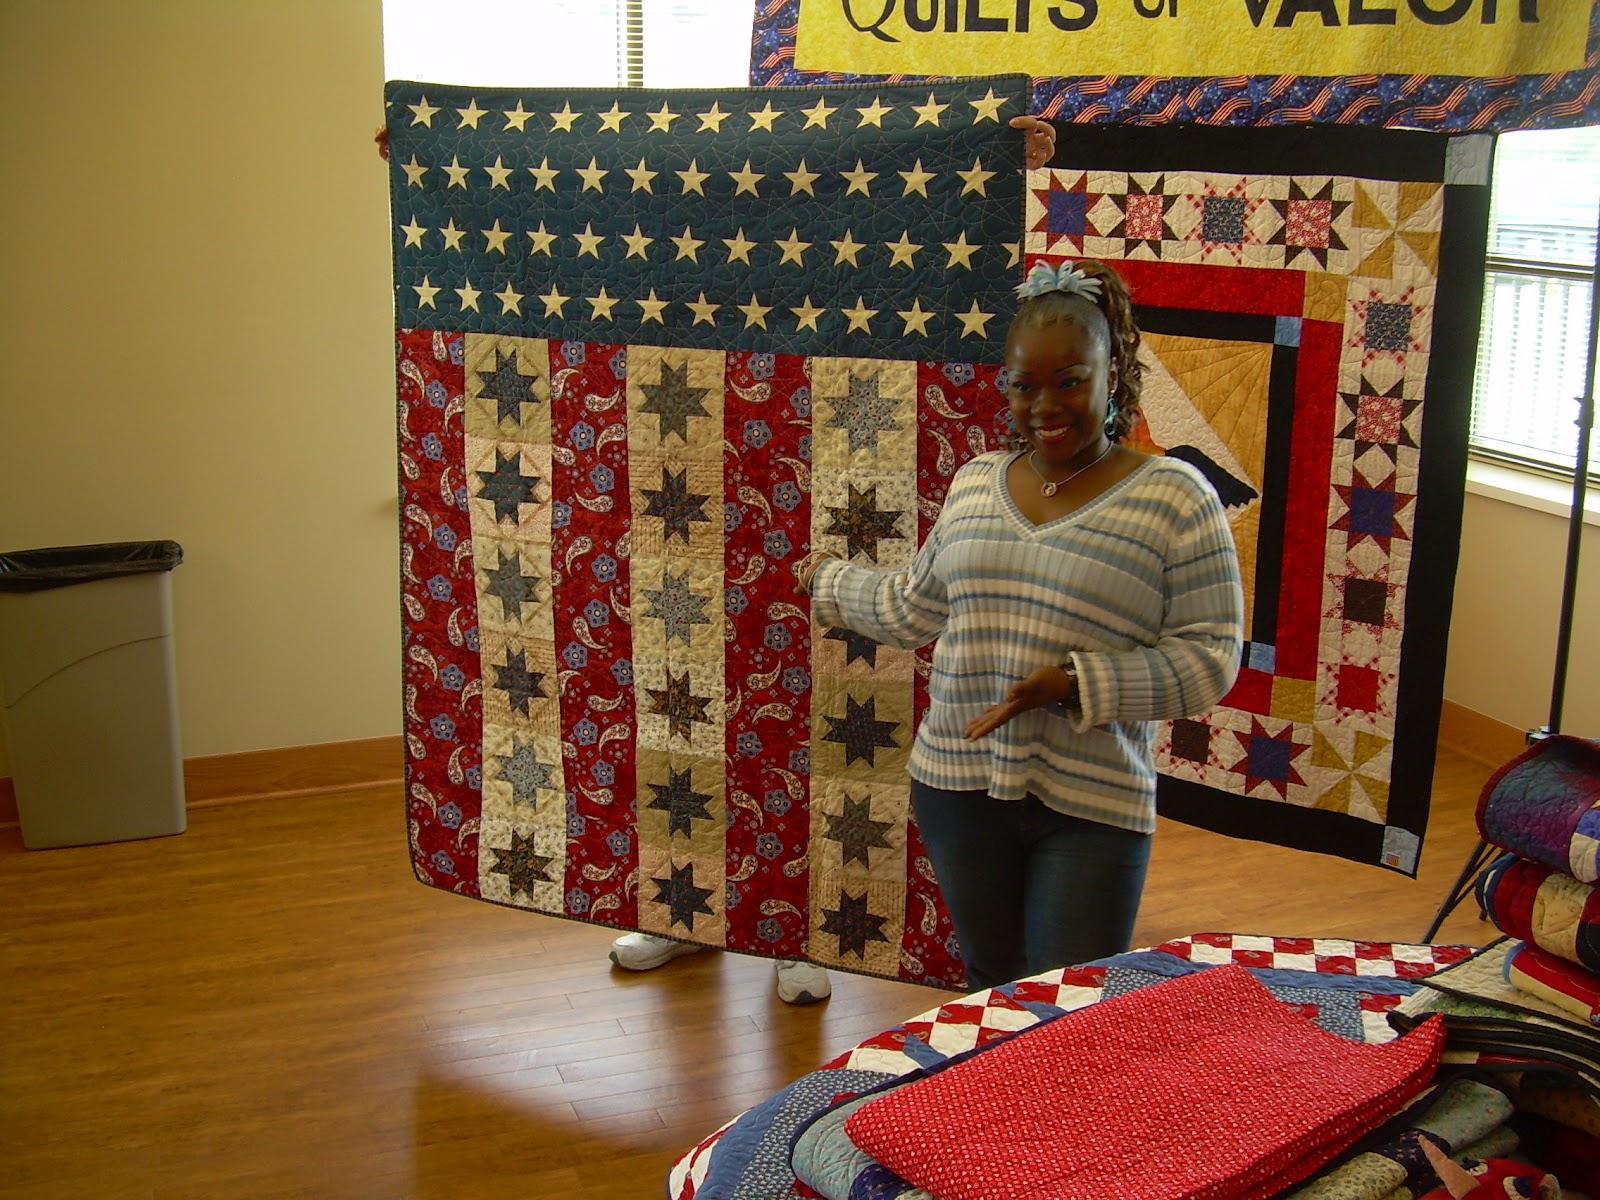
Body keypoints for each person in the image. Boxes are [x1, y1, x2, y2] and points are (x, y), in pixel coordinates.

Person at [793, 259, 1244, 991]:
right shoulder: (976, 481)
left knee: (1062, 1006)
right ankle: (988, 1111)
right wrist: (826, 579)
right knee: (989, 986)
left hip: (1092, 803)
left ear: (1114, 374)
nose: (1045, 405)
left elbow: (1209, 661)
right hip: (957, 789)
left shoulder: (1174, 496)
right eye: (1024, 385)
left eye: (1070, 380)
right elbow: (912, 608)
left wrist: (1072, 684)